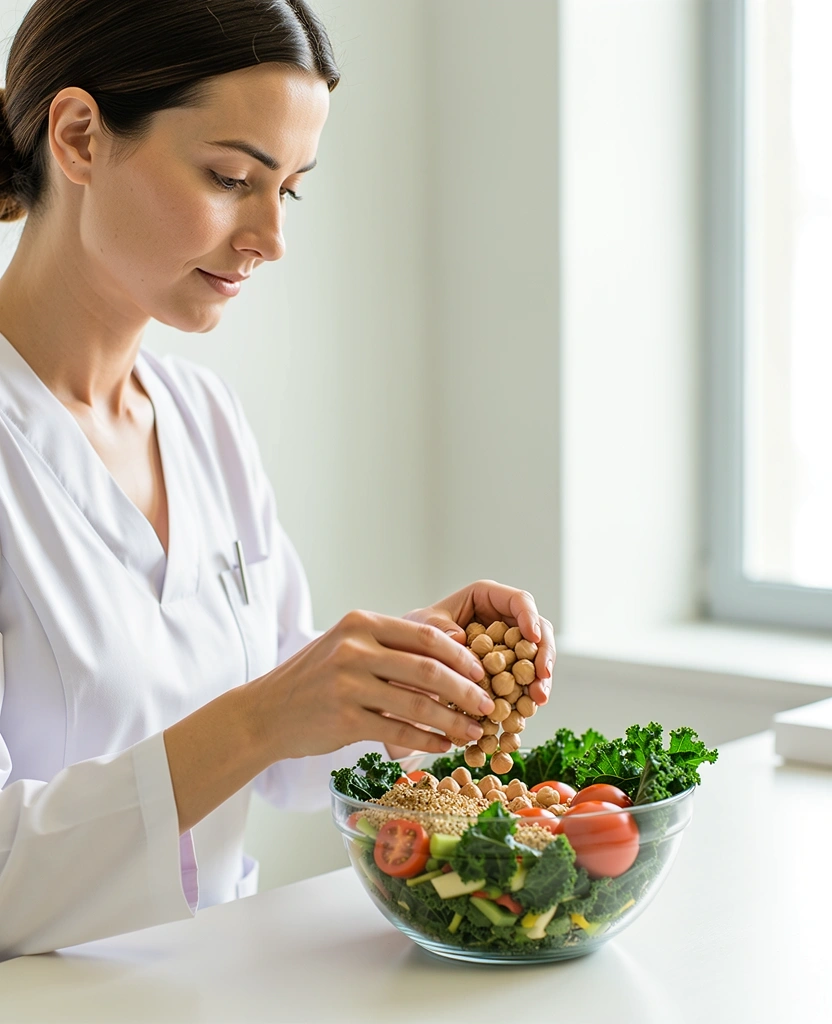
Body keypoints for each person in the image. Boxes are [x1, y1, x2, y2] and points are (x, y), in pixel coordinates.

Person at [0, 0, 555, 960]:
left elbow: (280, 757)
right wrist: (264, 717)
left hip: (219, 979)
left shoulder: (201, 421)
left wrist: (399, 675)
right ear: (80, 136)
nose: (270, 236)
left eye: (288, 191)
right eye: (230, 178)